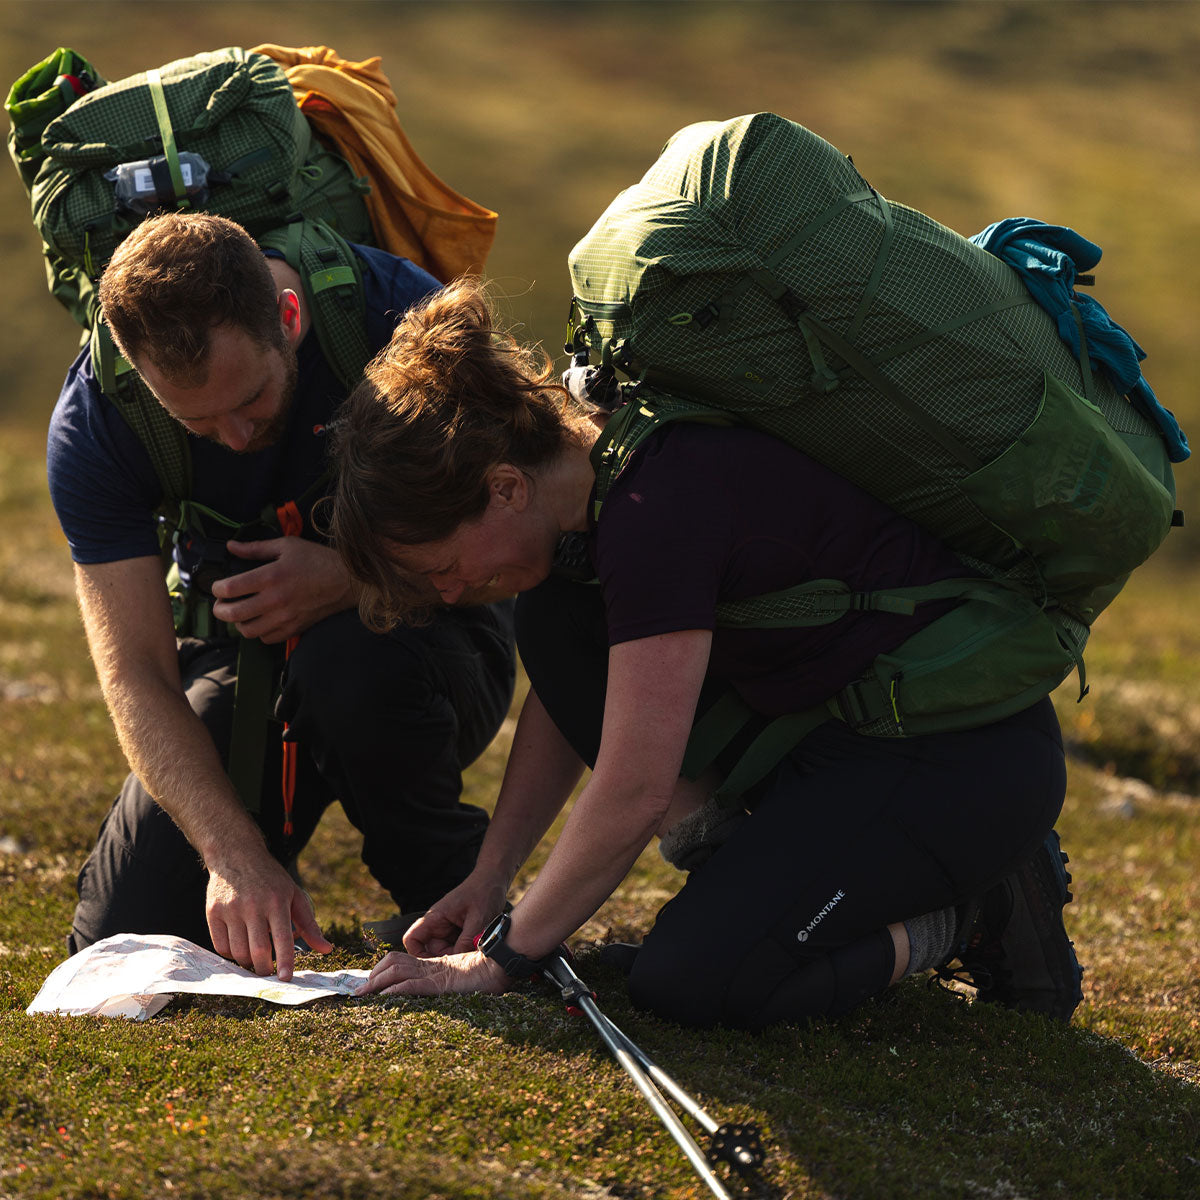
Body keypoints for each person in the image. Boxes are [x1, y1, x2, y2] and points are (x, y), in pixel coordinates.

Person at [329, 278, 1083, 1028]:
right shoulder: (606, 467)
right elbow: (570, 693)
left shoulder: (657, 508)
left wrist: (497, 961)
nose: (453, 593)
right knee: (558, 620)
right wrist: (490, 878)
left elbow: (635, 790)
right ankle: (750, 902)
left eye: (443, 566)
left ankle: (984, 907)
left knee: (698, 981)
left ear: (503, 489)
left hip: (954, 763)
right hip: (837, 732)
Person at [46, 213, 516, 982]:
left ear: (288, 320)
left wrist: (350, 577)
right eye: (195, 422)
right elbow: (136, 675)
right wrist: (233, 856)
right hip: (245, 662)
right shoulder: (100, 419)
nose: (233, 436)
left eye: (252, 400)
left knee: (348, 662)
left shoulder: (398, 319)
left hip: (431, 637)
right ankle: (263, 862)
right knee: (123, 933)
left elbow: (519, 535)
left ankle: (452, 899)